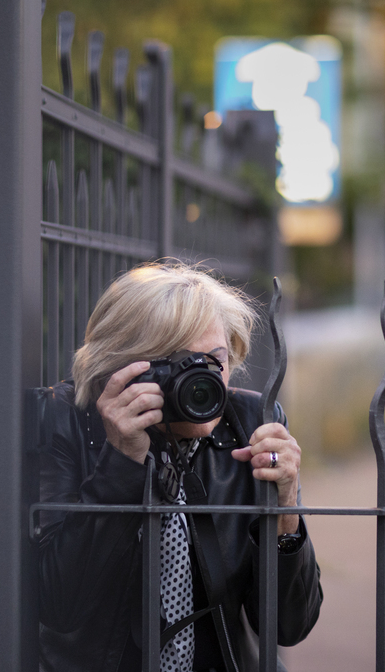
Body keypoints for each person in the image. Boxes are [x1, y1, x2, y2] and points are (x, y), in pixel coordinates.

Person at [37, 262, 322, 672]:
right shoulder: (70, 422)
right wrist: (121, 462)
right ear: (119, 365)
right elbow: (60, 605)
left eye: (215, 359)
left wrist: (286, 509)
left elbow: (290, 626)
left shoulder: (250, 421)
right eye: (177, 363)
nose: (202, 377)